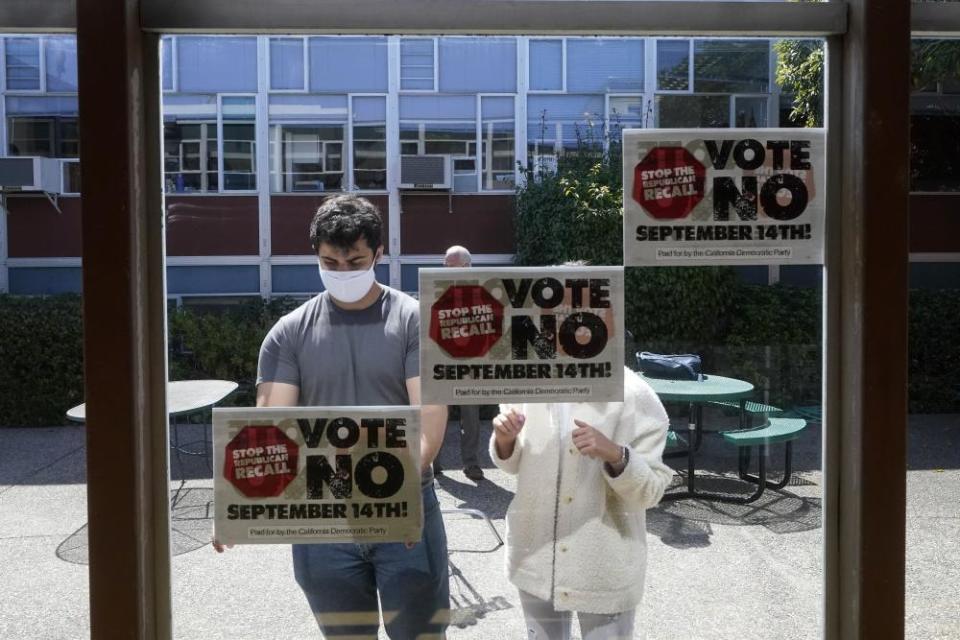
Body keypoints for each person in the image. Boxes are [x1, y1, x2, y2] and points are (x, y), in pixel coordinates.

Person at [216, 195, 449, 639]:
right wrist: (241, 503)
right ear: (316, 257)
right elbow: (271, 431)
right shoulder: (288, 333)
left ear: (379, 254)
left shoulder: (415, 322)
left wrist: (396, 496)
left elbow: (429, 426)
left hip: (406, 512)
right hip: (323, 519)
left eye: (355, 261)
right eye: (330, 262)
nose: (343, 272)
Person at [490, 368, 673, 640]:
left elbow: (651, 491)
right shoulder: (526, 382)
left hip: (605, 567)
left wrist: (616, 455)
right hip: (534, 556)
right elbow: (515, 464)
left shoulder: (634, 394)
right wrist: (505, 441)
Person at [441, 244, 485, 483]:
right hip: (440, 361)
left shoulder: (480, 290)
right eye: (444, 266)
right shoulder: (435, 288)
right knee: (437, 412)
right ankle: (432, 465)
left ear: (467, 266)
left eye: (451, 266)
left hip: (469, 362)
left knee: (470, 416)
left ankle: (471, 463)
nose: (446, 271)